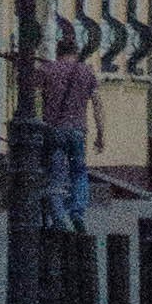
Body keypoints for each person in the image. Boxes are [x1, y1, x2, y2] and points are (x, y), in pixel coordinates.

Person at [36, 26, 99, 229]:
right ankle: (78, 212)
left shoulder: (47, 70)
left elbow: (33, 96)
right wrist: (101, 133)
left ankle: (59, 218)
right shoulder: (87, 72)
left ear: (58, 52)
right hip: (78, 131)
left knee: (55, 174)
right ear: (76, 52)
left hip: (54, 131)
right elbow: (97, 103)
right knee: (79, 172)